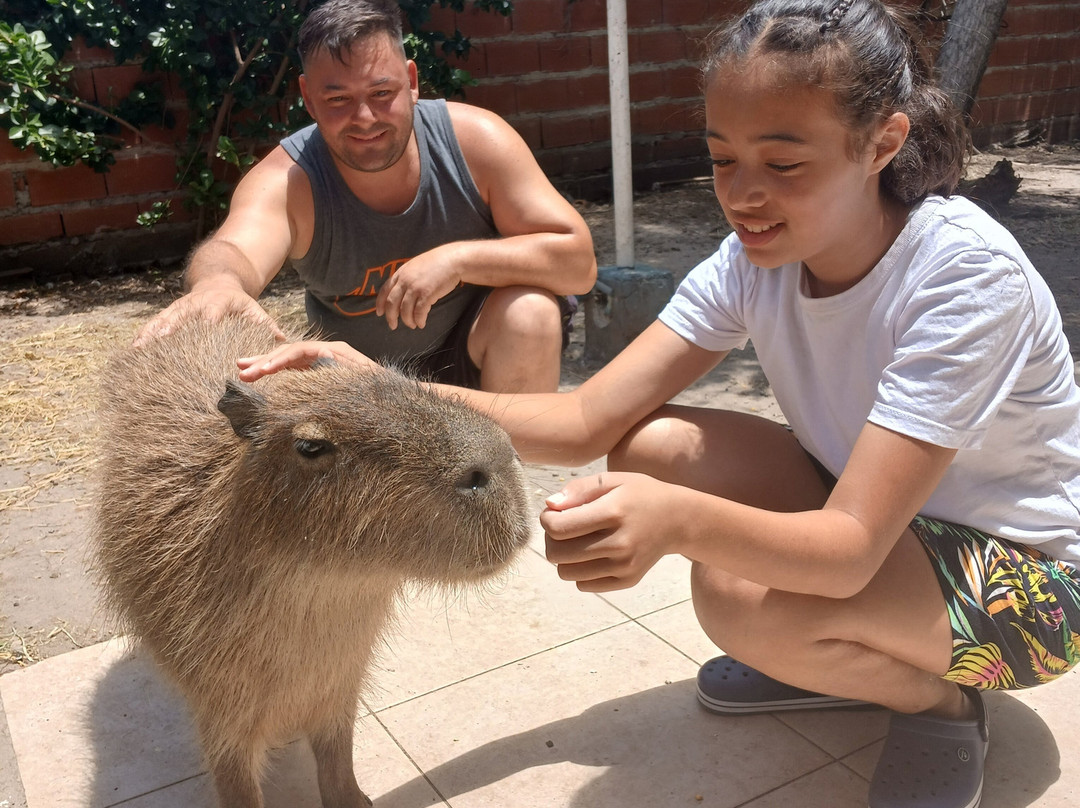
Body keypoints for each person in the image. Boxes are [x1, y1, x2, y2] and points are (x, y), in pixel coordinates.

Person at [235, 2, 1080, 806]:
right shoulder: (757, 257)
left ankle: (938, 704)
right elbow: (587, 421)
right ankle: (825, 651)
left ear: (881, 143)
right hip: (889, 519)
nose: (742, 194)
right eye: (722, 157)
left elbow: (852, 549)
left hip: (1032, 583)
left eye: (783, 163)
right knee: (652, 446)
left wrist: (675, 522)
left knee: (735, 599)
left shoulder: (961, 280)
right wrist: (376, 388)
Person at [136, 0, 596, 393]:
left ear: (412, 82)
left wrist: (456, 260)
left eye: (382, 92)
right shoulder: (290, 179)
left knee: (531, 311)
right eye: (337, 100)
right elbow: (233, 249)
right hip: (356, 386)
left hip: (474, 361)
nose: (364, 117)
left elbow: (578, 264)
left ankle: (508, 485)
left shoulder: (477, 141)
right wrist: (217, 284)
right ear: (308, 98)